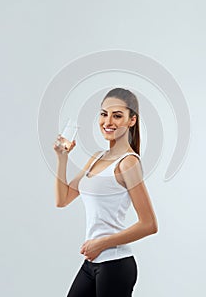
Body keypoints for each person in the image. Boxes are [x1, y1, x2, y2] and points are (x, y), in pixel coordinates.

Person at [53, 87, 158, 297]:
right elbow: (62, 199)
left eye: (117, 116)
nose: (108, 121)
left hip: (116, 264)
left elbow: (149, 224)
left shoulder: (128, 163)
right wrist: (62, 157)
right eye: (104, 114)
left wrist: (101, 243)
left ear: (132, 121)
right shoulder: (97, 157)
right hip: (92, 263)